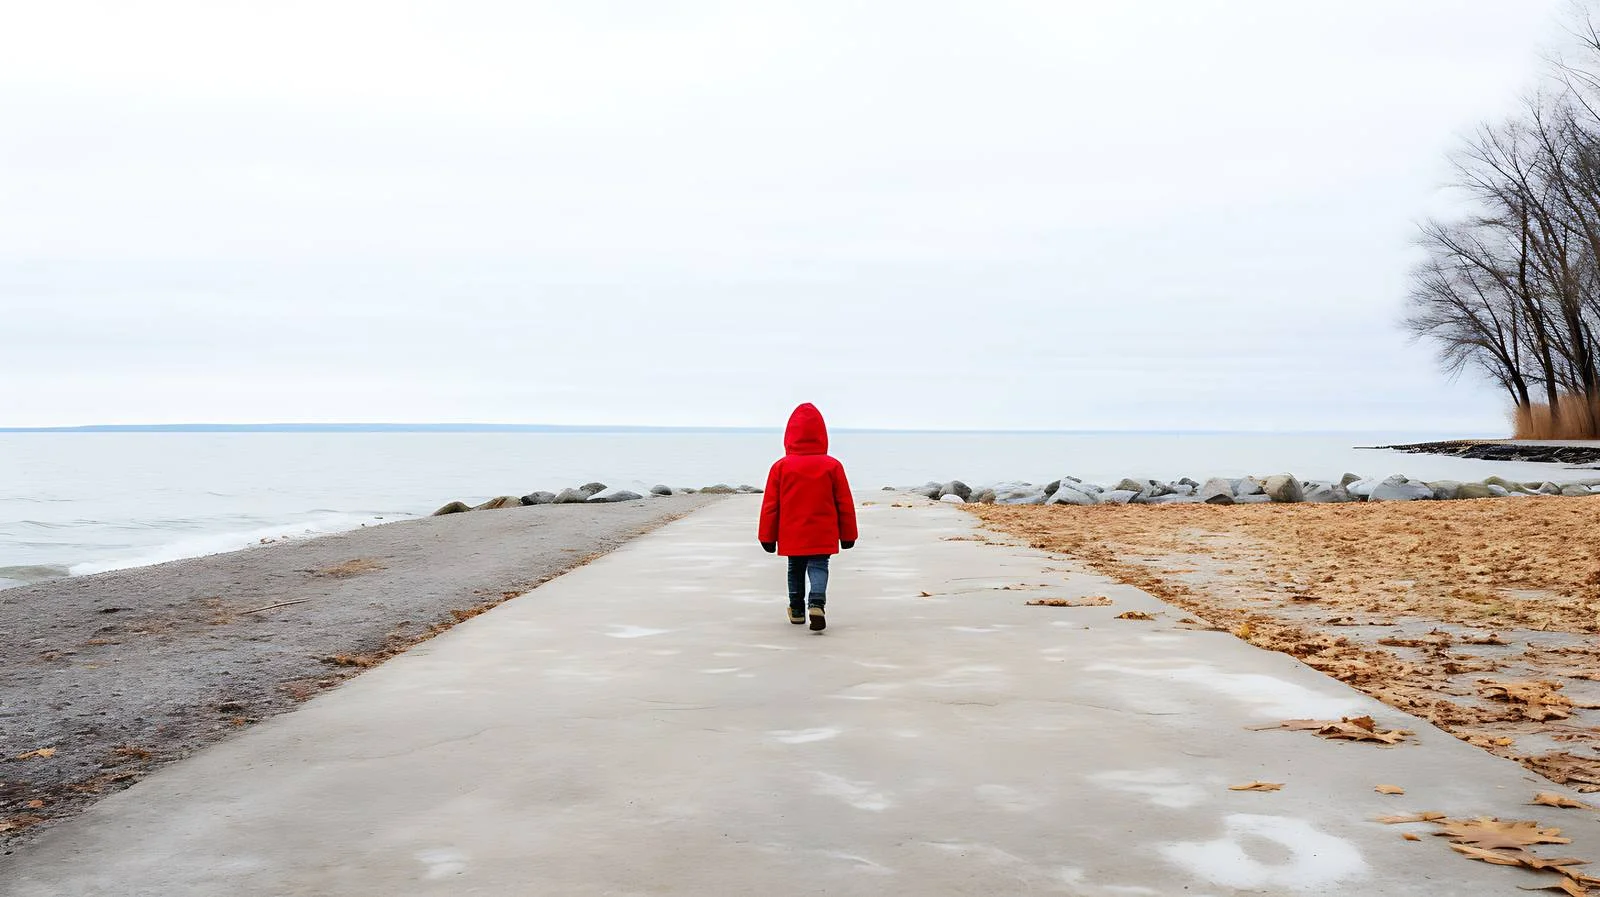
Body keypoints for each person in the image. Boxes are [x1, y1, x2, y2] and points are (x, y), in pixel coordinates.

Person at [758, 403, 858, 631]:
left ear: (789, 436)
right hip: (823, 531)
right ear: (822, 435)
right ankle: (816, 603)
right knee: (819, 566)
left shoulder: (780, 467)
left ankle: (796, 611)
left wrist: (767, 537)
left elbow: (771, 506)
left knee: (795, 568)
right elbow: (845, 504)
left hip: (792, 532)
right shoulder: (832, 466)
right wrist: (848, 535)